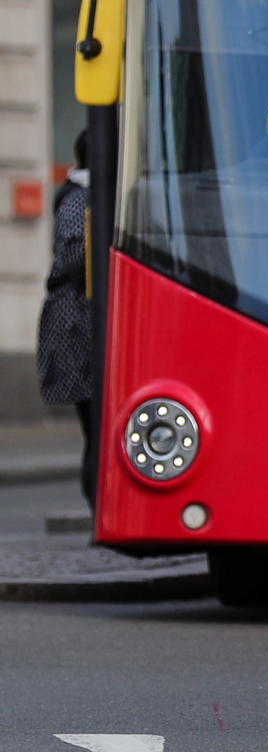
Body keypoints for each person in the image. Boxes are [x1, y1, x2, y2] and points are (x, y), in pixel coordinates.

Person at [36, 128, 95, 510]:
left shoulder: (84, 196)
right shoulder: (80, 201)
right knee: (95, 428)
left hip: (81, 329)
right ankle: (98, 512)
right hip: (78, 332)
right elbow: (73, 260)